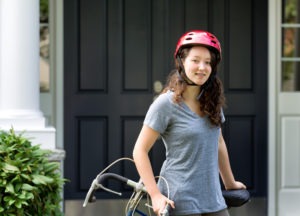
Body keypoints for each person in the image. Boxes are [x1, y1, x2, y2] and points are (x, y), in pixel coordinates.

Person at [132, 30, 246, 216]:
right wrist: (155, 195)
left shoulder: (212, 101)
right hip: (179, 201)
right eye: (195, 60)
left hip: (213, 199)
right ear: (181, 62)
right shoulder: (165, 104)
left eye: (208, 62)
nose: (202, 67)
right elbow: (139, 150)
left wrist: (230, 183)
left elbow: (218, 142)